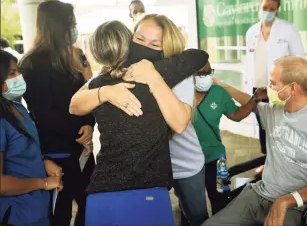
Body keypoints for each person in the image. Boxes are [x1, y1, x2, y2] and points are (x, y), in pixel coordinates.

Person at [70, 14, 209, 226]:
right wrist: (106, 92)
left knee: (196, 217)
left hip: (184, 161)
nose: (145, 47)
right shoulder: (112, 76)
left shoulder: (172, 71)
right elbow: (75, 103)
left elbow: (180, 123)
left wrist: (153, 76)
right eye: (140, 39)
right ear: (128, 39)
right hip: (146, 176)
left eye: (155, 43)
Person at [202, 56, 307, 226]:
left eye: (273, 83)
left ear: (292, 88)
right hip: (259, 195)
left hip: (298, 207)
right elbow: (248, 102)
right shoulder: (274, 111)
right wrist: (243, 92)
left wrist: (287, 200)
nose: (268, 87)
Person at [19, 0, 95, 226]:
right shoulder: (33, 63)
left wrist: (89, 124)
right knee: (60, 210)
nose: (74, 27)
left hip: (82, 147)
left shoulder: (69, 58)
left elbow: (85, 96)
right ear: (56, 25)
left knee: (91, 201)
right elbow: (43, 112)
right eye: (71, 23)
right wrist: (77, 130)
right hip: (57, 151)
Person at [0, 50, 63, 226]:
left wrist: (43, 162)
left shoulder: (18, 108)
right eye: (12, 73)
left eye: (18, 71)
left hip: (37, 209)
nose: (19, 77)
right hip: (16, 214)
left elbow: (23, 150)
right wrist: (43, 183)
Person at [244, 0, 305, 155]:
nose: (267, 12)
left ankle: (284, 166)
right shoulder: (251, 32)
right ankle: (267, 163)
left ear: (277, 9)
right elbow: (249, 62)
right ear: (259, 7)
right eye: (265, 7)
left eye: (272, 9)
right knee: (263, 128)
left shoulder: (288, 30)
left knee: (280, 129)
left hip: (279, 89)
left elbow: (300, 60)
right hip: (257, 90)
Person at [192, 61, 254, 215]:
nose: (205, 77)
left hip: (217, 158)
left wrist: (255, 100)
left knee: (222, 200)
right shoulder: (179, 94)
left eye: (208, 72)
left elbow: (237, 115)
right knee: (191, 206)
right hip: (189, 161)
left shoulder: (219, 93)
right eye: (201, 73)